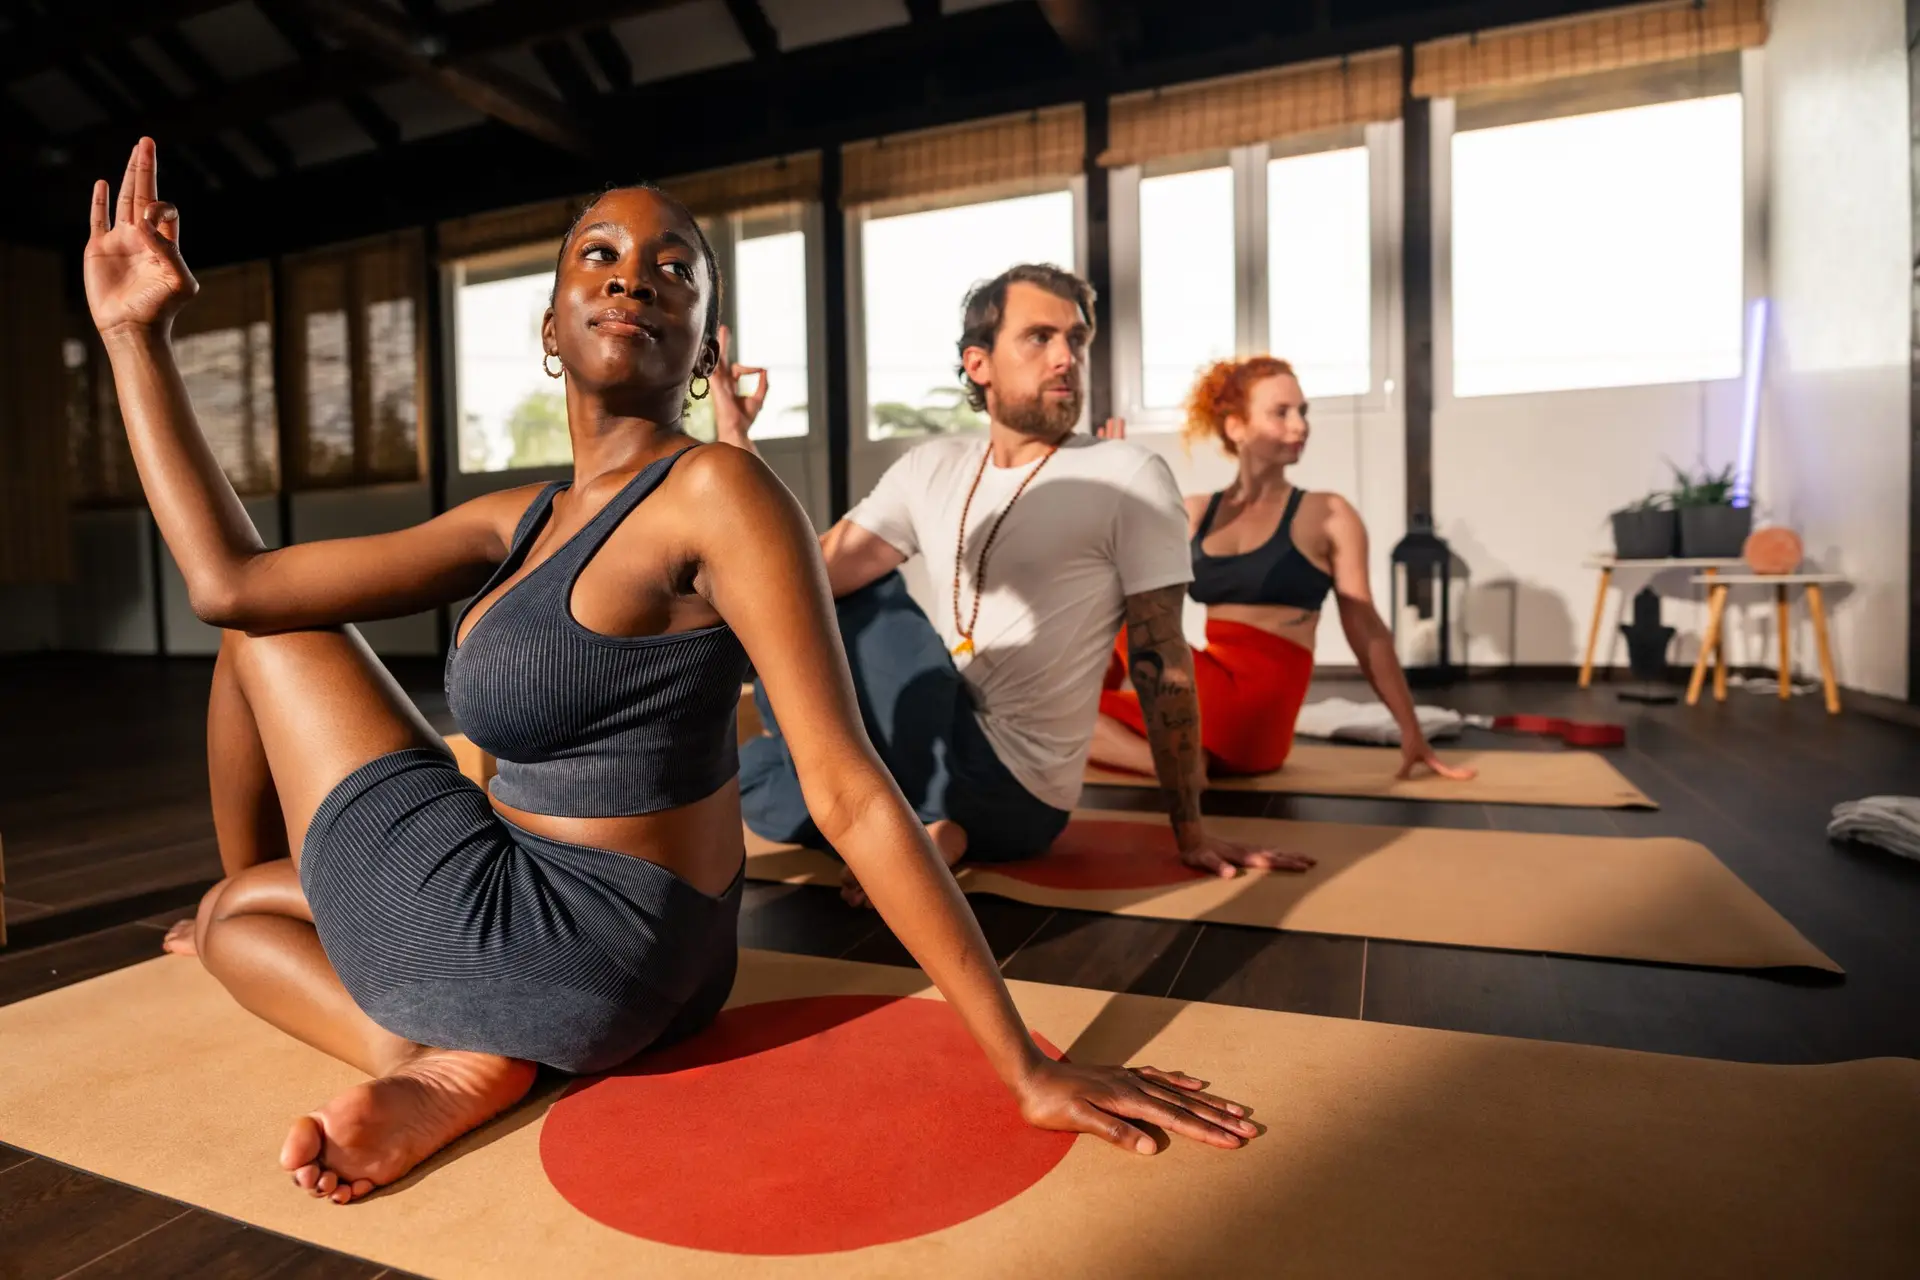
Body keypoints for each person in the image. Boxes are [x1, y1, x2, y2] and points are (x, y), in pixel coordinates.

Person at [85, 139, 1260, 1205]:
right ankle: (425, 1036)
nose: (633, 277)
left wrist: (1027, 1066)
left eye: (673, 269)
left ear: (702, 345)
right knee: (232, 917)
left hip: (569, 943)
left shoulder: (718, 492)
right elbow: (233, 570)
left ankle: (447, 1042)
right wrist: (138, 335)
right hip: (660, 962)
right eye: (598, 255)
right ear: (551, 327)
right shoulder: (522, 514)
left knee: (259, 642)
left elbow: (849, 789)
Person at [726, 264, 1314, 906]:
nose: (1066, 358)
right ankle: (925, 828)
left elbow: (1161, 657)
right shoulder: (931, 467)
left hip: (1018, 791)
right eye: (1040, 337)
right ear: (978, 363)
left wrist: (1191, 831)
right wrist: (735, 438)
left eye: (1076, 340)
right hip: (933, 750)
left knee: (858, 604)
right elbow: (794, 569)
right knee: (749, 772)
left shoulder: (1126, 474)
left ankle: (894, 816)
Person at [1091, 358, 1474, 782]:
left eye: (1303, 412)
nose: (1300, 426)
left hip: (1254, 709)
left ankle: (1169, 755)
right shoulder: (1196, 512)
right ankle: (1174, 760)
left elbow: (1366, 628)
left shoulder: (1328, 513)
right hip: (1237, 720)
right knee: (1083, 672)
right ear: (1236, 427)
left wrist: (1410, 729)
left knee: (1064, 702)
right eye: (1281, 413)